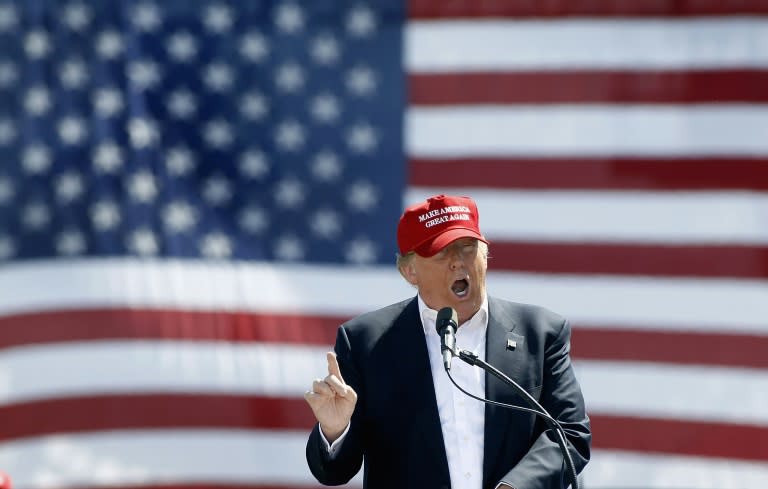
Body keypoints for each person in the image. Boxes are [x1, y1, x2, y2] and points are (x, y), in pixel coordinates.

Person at [304, 194, 591, 489]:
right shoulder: (366, 342)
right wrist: (335, 430)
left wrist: (515, 487)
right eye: (442, 252)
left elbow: (570, 432)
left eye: (467, 248)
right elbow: (333, 473)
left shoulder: (540, 334)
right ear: (409, 271)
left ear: (485, 256)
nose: (458, 262)